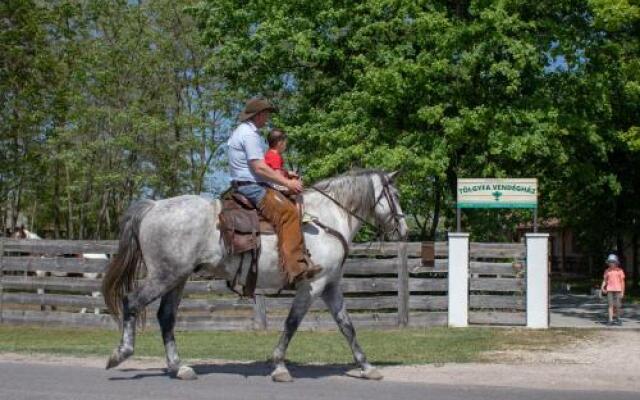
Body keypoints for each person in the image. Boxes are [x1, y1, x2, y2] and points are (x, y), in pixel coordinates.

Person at [227, 98, 321, 283]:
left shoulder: (242, 132)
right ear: (259, 115)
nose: (267, 119)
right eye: (266, 114)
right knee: (289, 213)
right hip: (252, 187)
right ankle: (296, 268)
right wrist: (288, 184)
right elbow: (259, 168)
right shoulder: (250, 135)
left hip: (246, 184)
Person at [600, 254, 625, 326]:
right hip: (609, 290)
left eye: (613, 262)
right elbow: (604, 280)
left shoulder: (620, 271)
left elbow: (622, 282)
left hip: (618, 290)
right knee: (610, 305)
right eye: (610, 262)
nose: (611, 263)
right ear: (608, 263)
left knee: (618, 305)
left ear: (616, 262)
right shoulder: (607, 271)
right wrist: (602, 288)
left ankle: (618, 318)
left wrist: (622, 292)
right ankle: (610, 320)